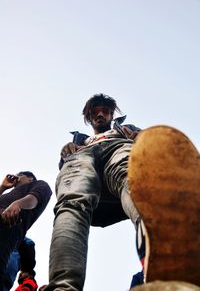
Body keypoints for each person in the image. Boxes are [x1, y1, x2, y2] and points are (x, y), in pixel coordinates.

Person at [45, 93, 142, 291]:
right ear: (89, 117)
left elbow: (152, 142)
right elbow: (64, 169)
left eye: (105, 111)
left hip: (119, 146)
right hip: (83, 155)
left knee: (134, 182)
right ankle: (63, 287)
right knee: (71, 201)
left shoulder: (125, 130)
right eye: (95, 112)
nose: (100, 114)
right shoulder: (80, 141)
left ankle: (163, 262)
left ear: (111, 115)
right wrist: (66, 152)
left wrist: (140, 137)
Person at [0, 171, 52, 289]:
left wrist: (18, 204)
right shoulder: (6, 194)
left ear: (30, 179)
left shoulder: (39, 184)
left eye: (20, 174)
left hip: (5, 229)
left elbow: (34, 199)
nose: (16, 176)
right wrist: (2, 187)